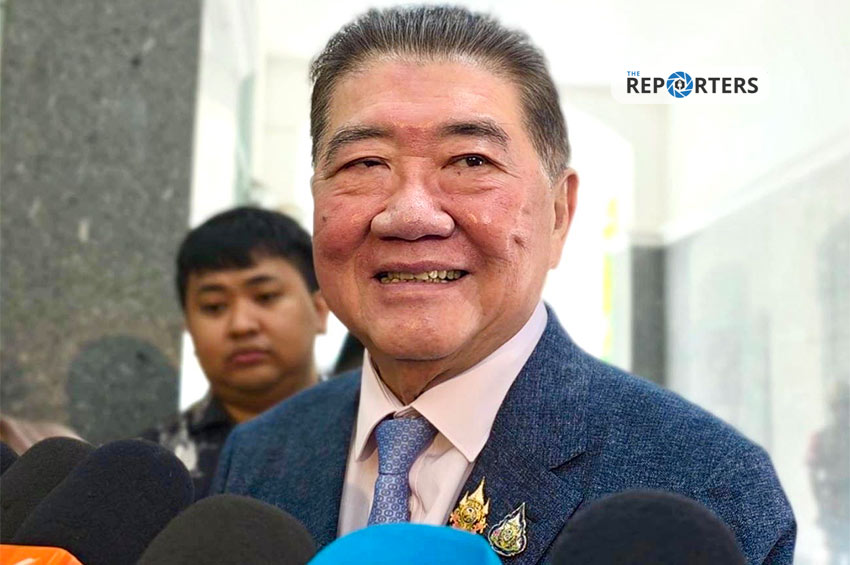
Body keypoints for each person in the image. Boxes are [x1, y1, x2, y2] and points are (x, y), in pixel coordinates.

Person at [213, 7, 795, 563]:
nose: (410, 215)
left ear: (559, 213)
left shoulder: (704, 482)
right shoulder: (260, 454)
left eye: (470, 161)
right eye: (364, 163)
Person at [142, 206, 328, 499]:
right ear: (188, 327)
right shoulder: (153, 466)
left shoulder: (372, 440)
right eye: (214, 306)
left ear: (320, 310)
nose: (241, 325)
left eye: (265, 296)